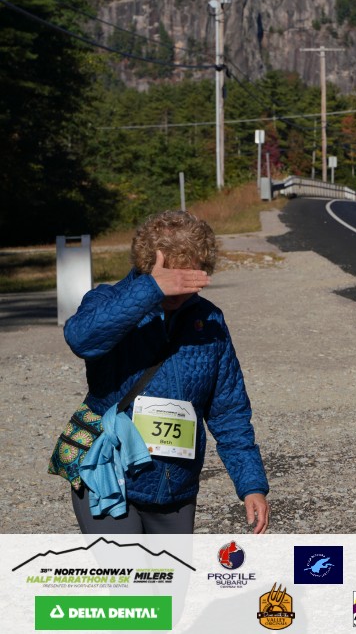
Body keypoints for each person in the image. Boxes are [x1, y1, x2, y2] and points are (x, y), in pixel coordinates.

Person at [62, 210, 270, 534]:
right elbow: (81, 338)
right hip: (105, 474)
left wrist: (251, 485)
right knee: (126, 568)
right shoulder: (108, 300)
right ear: (147, 264)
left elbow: (229, 411)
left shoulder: (210, 321)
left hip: (175, 488)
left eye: (187, 275)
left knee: (170, 571)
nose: (176, 287)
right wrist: (150, 291)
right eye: (169, 274)